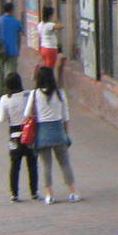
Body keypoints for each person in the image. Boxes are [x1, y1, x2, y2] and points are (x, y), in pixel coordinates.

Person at [28, 66, 80, 204]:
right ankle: (73, 192)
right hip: (58, 131)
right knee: (64, 163)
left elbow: (27, 114)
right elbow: (66, 116)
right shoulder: (60, 94)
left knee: (46, 165)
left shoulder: (35, 94)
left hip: (43, 133)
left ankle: (49, 195)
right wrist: (65, 133)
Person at [0, 71, 39, 202]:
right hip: (29, 132)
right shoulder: (27, 95)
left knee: (15, 165)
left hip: (14, 134)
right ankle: (34, 192)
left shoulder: (5, 99)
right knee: (32, 163)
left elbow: (1, 119)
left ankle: (14, 193)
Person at [0, 1, 23, 97]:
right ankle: (9, 92)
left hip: (0, 51)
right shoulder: (16, 22)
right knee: (11, 73)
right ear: (12, 10)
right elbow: (19, 37)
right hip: (13, 50)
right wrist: (18, 49)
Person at [37, 5, 61, 70]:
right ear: (50, 16)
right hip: (50, 49)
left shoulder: (40, 25)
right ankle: (48, 79)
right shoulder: (49, 25)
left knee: (45, 67)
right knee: (49, 69)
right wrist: (56, 21)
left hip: (43, 48)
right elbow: (60, 26)